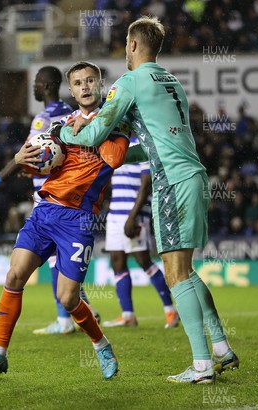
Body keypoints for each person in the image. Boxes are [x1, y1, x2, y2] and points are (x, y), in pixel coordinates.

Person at [53, 16, 238, 384]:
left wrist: (62, 133)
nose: (124, 50)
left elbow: (93, 133)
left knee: (175, 275)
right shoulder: (172, 83)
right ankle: (219, 347)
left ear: (134, 45)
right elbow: (154, 147)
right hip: (193, 176)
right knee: (185, 270)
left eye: (125, 43)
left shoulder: (129, 83)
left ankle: (202, 367)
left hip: (172, 183)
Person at [0, 61, 130, 380]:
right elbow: (40, 163)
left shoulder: (115, 121)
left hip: (79, 219)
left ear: (98, 86)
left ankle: (102, 346)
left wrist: (92, 132)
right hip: (44, 211)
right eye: (78, 83)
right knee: (15, 275)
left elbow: (114, 159)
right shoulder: (64, 125)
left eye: (90, 81)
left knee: (68, 297)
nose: (85, 87)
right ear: (70, 90)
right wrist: (21, 160)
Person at [0, 66, 99, 335]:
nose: (35, 88)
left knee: (53, 262)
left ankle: (64, 319)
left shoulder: (44, 118)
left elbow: (27, 156)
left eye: (37, 84)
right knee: (62, 261)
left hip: (49, 197)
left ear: (47, 85)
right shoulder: (70, 113)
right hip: (74, 196)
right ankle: (80, 307)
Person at [102, 139, 179, 328]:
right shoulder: (117, 143)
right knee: (117, 261)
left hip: (133, 215)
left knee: (143, 261)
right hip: (115, 213)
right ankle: (128, 315)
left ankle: (171, 311)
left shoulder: (142, 144)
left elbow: (146, 186)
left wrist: (133, 217)